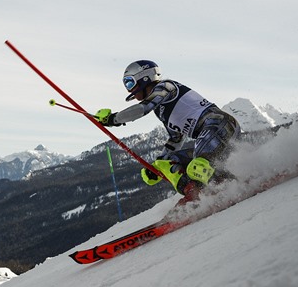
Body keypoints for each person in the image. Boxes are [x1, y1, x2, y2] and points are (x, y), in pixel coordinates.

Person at [95, 60, 240, 200]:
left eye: (130, 82)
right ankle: (196, 194)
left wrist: (113, 119)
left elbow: (143, 108)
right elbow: (175, 139)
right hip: (210, 136)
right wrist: (157, 167)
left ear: (144, 78)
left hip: (220, 125)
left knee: (197, 167)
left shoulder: (166, 87)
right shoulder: (161, 110)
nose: (129, 89)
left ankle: (231, 188)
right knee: (168, 162)